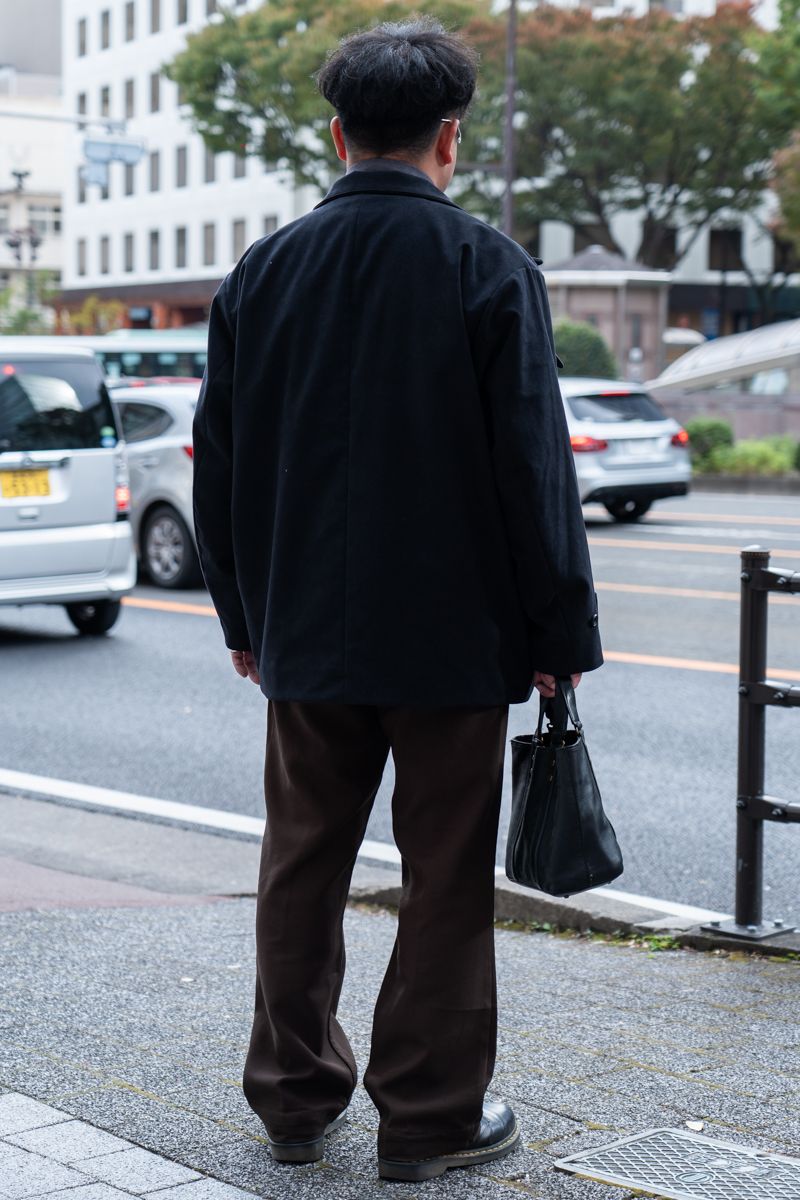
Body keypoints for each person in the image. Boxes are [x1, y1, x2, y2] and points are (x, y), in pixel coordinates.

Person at [192, 17, 602, 1184]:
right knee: (443, 878)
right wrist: (555, 635)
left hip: (305, 636)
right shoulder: (485, 265)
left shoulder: (261, 272)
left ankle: (290, 1099)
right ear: (449, 139)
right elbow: (532, 468)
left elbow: (214, 465)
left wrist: (242, 618)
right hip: (455, 640)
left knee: (300, 864)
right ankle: (426, 1117)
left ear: (337, 134)